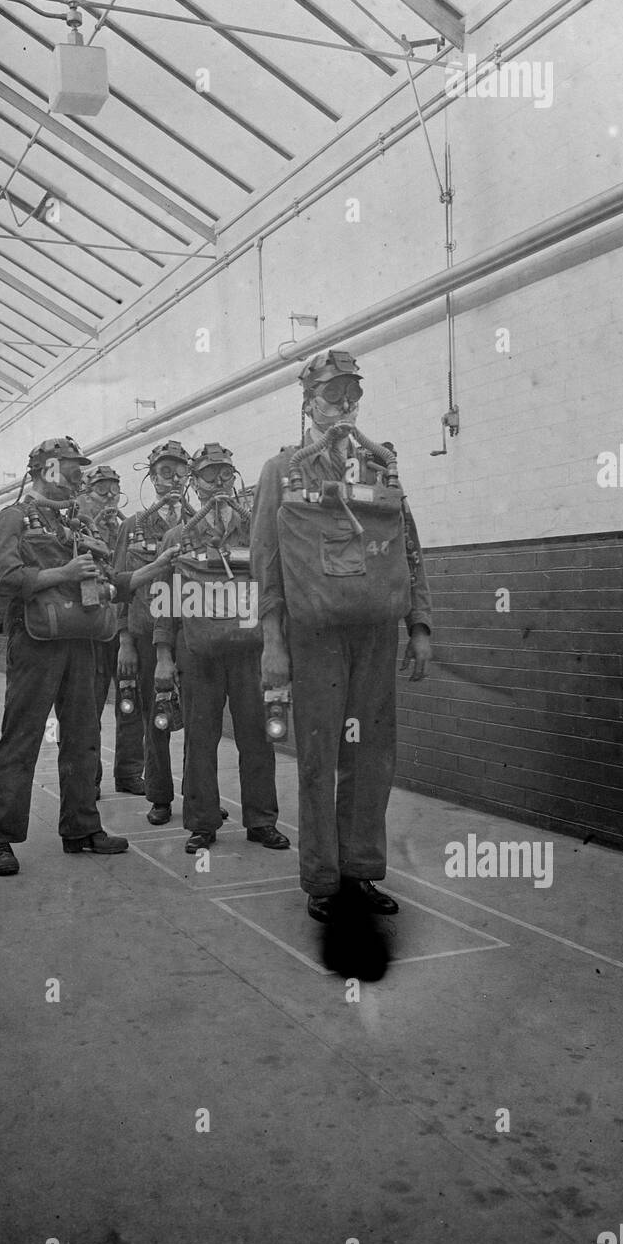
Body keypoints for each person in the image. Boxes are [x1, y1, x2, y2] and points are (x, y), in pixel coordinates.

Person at [250, 351, 433, 921]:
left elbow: (409, 549)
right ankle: (322, 880)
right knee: (319, 758)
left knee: (371, 758)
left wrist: (419, 626)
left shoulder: (381, 467)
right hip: (316, 635)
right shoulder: (282, 471)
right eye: (333, 396)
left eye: (353, 394)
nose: (345, 405)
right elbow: (267, 563)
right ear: (309, 403)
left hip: (376, 635)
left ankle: (360, 872)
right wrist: (273, 642)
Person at [0, 436, 180, 877]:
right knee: (22, 739)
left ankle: (81, 828)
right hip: (35, 644)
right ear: (47, 469)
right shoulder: (12, 518)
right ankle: (0, 838)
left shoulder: (74, 524)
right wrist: (63, 573)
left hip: (83, 643)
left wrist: (156, 567)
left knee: (83, 737)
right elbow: (4, 577)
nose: (78, 475)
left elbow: (112, 580)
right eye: (71, 467)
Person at [153, 442, 289, 855]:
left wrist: (278, 645)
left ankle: (262, 820)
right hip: (199, 655)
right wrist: (162, 656)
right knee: (200, 740)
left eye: (225, 474)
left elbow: (275, 586)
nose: (218, 483)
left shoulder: (255, 530)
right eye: (209, 476)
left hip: (250, 652)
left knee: (257, 738)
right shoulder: (178, 537)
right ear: (195, 484)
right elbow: (164, 598)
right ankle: (203, 823)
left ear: (235, 476)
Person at [115, 440, 194, 827]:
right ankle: (160, 797)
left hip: (192, 637)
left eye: (180, 471)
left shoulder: (201, 520)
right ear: (152, 476)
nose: (174, 479)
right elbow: (119, 588)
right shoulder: (133, 526)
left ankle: (199, 797)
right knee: (156, 721)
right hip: (147, 638)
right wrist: (125, 642)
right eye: (165, 472)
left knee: (198, 722)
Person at [75, 464, 145, 799]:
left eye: (114, 490)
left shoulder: (130, 532)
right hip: (89, 632)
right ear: (84, 495)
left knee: (131, 703)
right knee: (87, 708)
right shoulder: (73, 531)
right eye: (101, 491)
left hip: (122, 631)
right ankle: (88, 778)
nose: (109, 497)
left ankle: (130, 773)